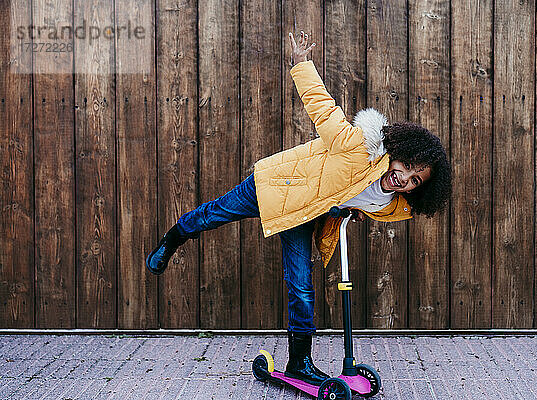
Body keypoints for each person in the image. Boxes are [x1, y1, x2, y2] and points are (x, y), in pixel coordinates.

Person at [146, 30, 451, 386]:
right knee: (213, 215)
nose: (405, 179)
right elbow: (323, 108)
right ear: (395, 151)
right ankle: (172, 239)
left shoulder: (393, 203)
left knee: (302, 288)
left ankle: (299, 363)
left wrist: (342, 210)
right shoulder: (357, 146)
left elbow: (355, 199)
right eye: (406, 167)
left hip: (303, 216)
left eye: (416, 180)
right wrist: (301, 64)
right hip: (275, 187)